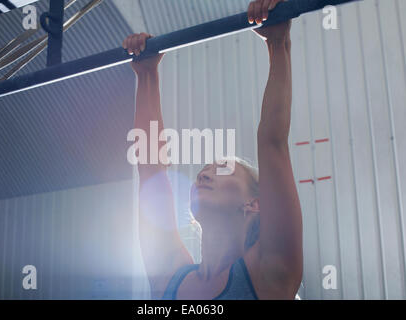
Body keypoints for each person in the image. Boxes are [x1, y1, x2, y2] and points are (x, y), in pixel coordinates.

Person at [123, 0, 303, 300]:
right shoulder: (171, 275)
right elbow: (150, 168)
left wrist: (278, 44)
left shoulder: (271, 273)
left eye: (222, 168)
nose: (204, 171)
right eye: (207, 167)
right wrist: (146, 75)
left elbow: (272, 144)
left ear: (255, 203)